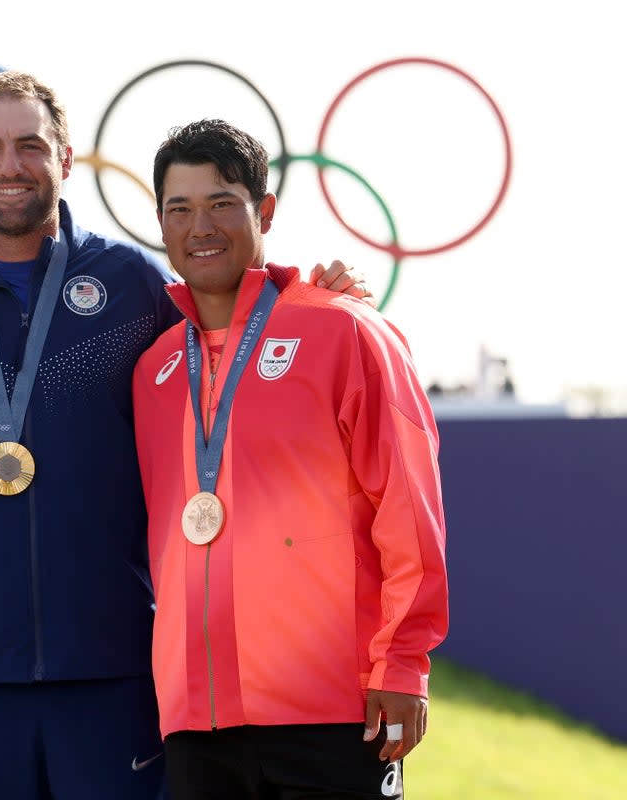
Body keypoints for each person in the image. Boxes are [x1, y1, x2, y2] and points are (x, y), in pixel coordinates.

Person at [0, 70, 370, 799]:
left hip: (117, 658)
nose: (9, 165)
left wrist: (308, 294)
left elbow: (226, 349)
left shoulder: (130, 284)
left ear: (67, 158)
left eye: (30, 145)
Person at [132, 119, 448, 800]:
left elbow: (408, 509)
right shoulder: (154, 369)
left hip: (332, 712)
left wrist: (402, 665)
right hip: (196, 720)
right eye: (179, 209)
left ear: (264, 210)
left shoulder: (344, 330)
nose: (200, 226)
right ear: (159, 224)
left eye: (221, 203)